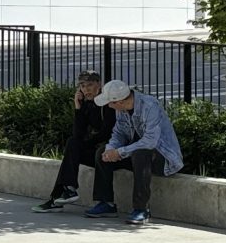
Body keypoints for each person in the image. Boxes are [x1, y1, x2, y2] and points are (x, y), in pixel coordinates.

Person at [85, 79, 182, 226]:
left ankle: (141, 209)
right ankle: (106, 203)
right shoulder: (121, 110)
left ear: (120, 102)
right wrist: (111, 149)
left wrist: (120, 152)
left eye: (110, 103)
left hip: (163, 159)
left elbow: (150, 142)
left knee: (141, 154)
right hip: (135, 156)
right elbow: (118, 133)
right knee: (102, 153)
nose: (109, 106)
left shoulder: (150, 106)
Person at [35, 73, 115, 211]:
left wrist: (85, 144)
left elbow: (106, 133)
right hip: (96, 149)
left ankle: (59, 198)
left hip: (112, 152)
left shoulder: (108, 104)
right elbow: (78, 135)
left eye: (90, 85)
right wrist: (78, 107)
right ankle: (67, 191)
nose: (86, 89)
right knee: (72, 143)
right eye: (82, 86)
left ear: (99, 84)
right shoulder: (87, 104)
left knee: (81, 148)